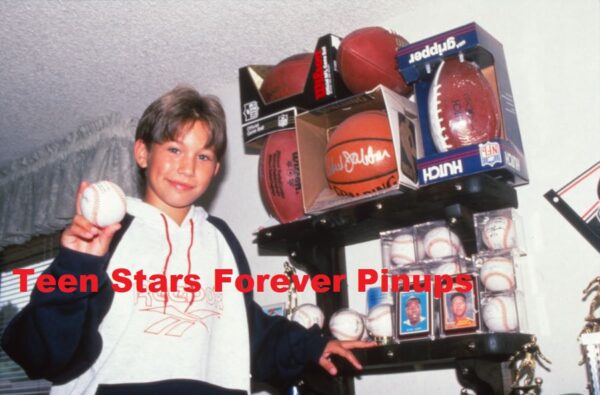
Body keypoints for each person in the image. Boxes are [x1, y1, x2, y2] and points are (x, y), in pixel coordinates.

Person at [1, 86, 374, 395]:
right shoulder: (108, 232)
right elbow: (40, 354)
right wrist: (76, 264)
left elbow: (247, 329)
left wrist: (311, 345)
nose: (187, 167)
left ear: (215, 169)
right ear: (143, 153)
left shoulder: (221, 239)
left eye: (203, 155)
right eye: (174, 149)